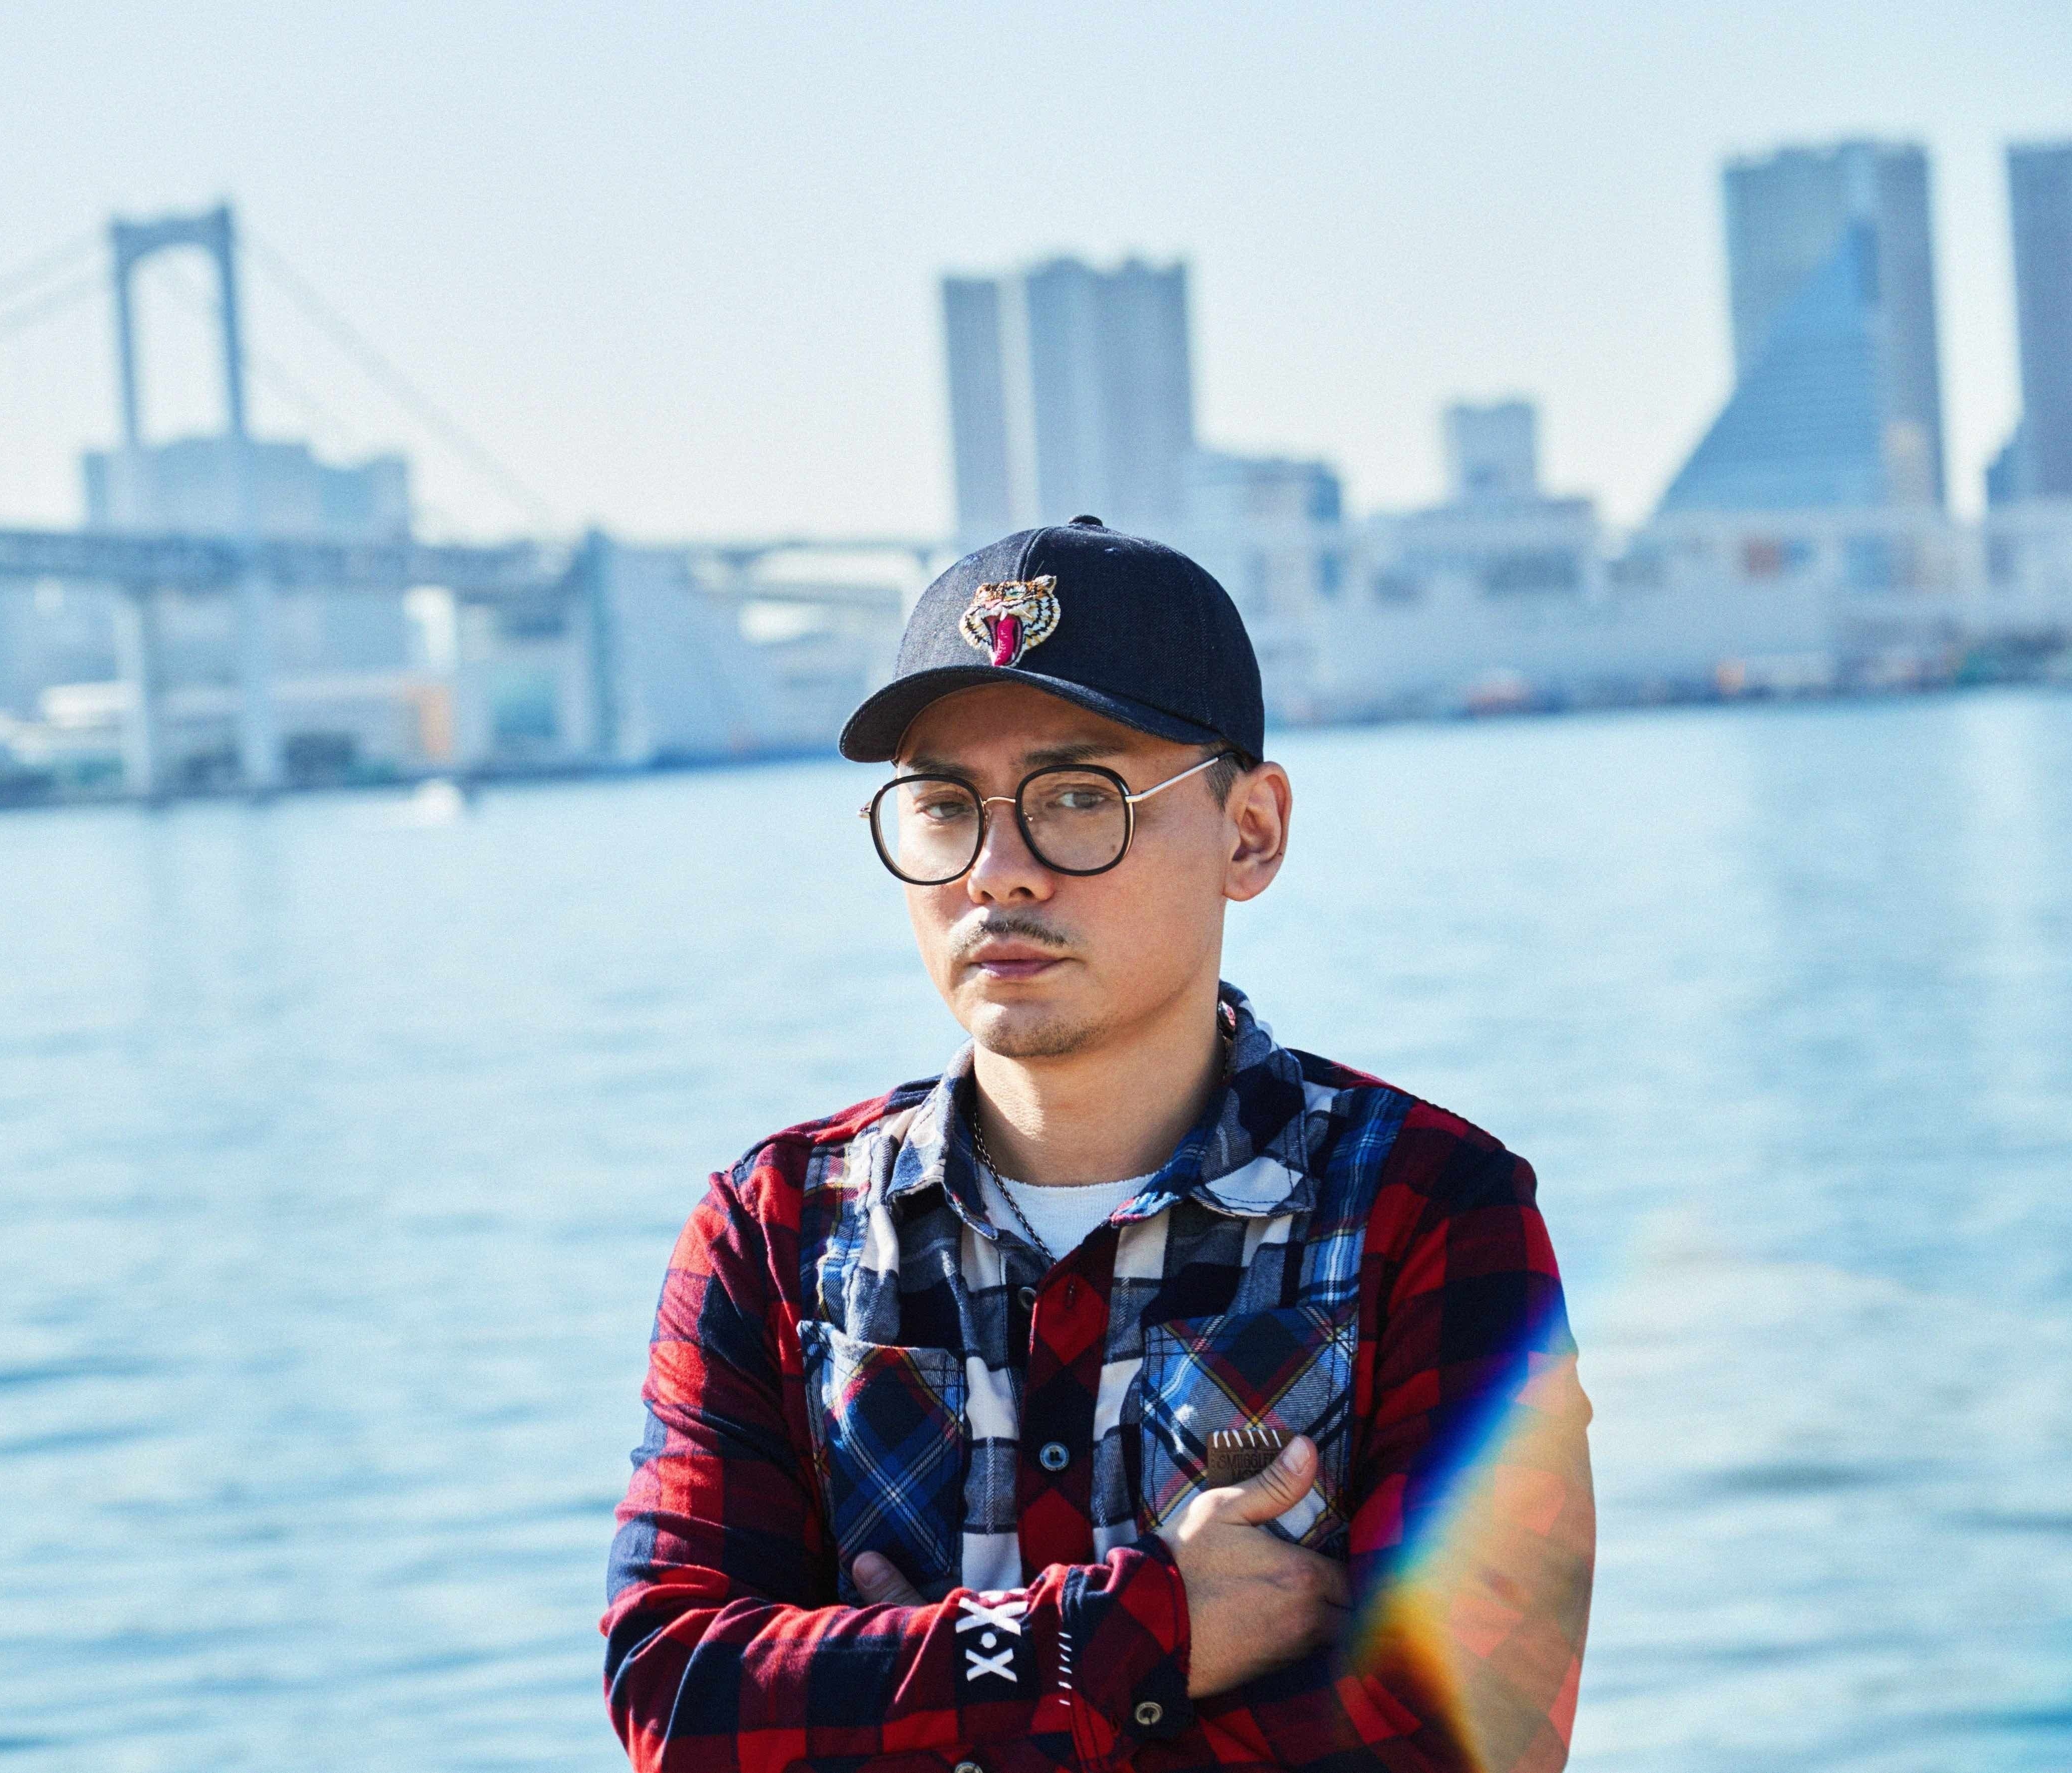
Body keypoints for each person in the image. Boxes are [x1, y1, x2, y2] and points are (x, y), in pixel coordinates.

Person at [603, 518, 1594, 1772]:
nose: (996, 873)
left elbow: (1467, 1731)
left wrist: (897, 1685)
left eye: (1078, 798)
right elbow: (679, 1695)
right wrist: (1133, 1633)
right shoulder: (776, 1228)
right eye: (942, 806)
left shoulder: (1424, 1208)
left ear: (1249, 832)